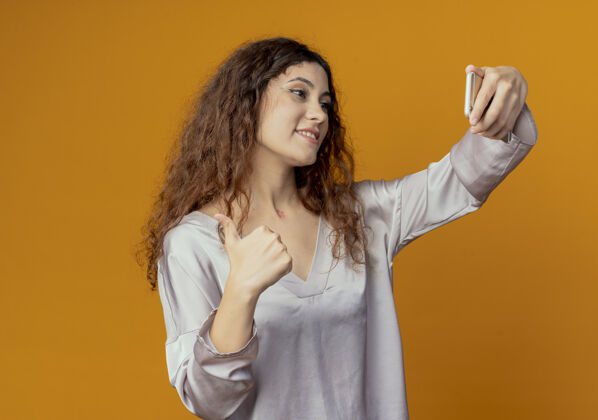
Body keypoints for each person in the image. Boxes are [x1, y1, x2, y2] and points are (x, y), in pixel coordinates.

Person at [137, 37, 538, 419]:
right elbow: (208, 401)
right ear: (246, 103)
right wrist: (240, 293)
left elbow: (462, 178)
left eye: (325, 103)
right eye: (299, 93)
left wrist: (510, 94)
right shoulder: (192, 243)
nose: (319, 114)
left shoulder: (361, 215)